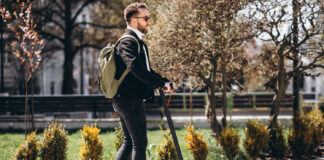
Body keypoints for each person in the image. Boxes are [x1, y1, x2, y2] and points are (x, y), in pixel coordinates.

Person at [113, 2, 176, 160]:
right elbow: (135, 67)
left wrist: (164, 81)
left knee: (129, 142)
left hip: (126, 99)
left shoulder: (136, 42)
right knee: (139, 143)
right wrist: (160, 84)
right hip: (129, 100)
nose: (149, 21)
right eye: (146, 18)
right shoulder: (127, 42)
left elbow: (145, 70)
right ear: (134, 20)